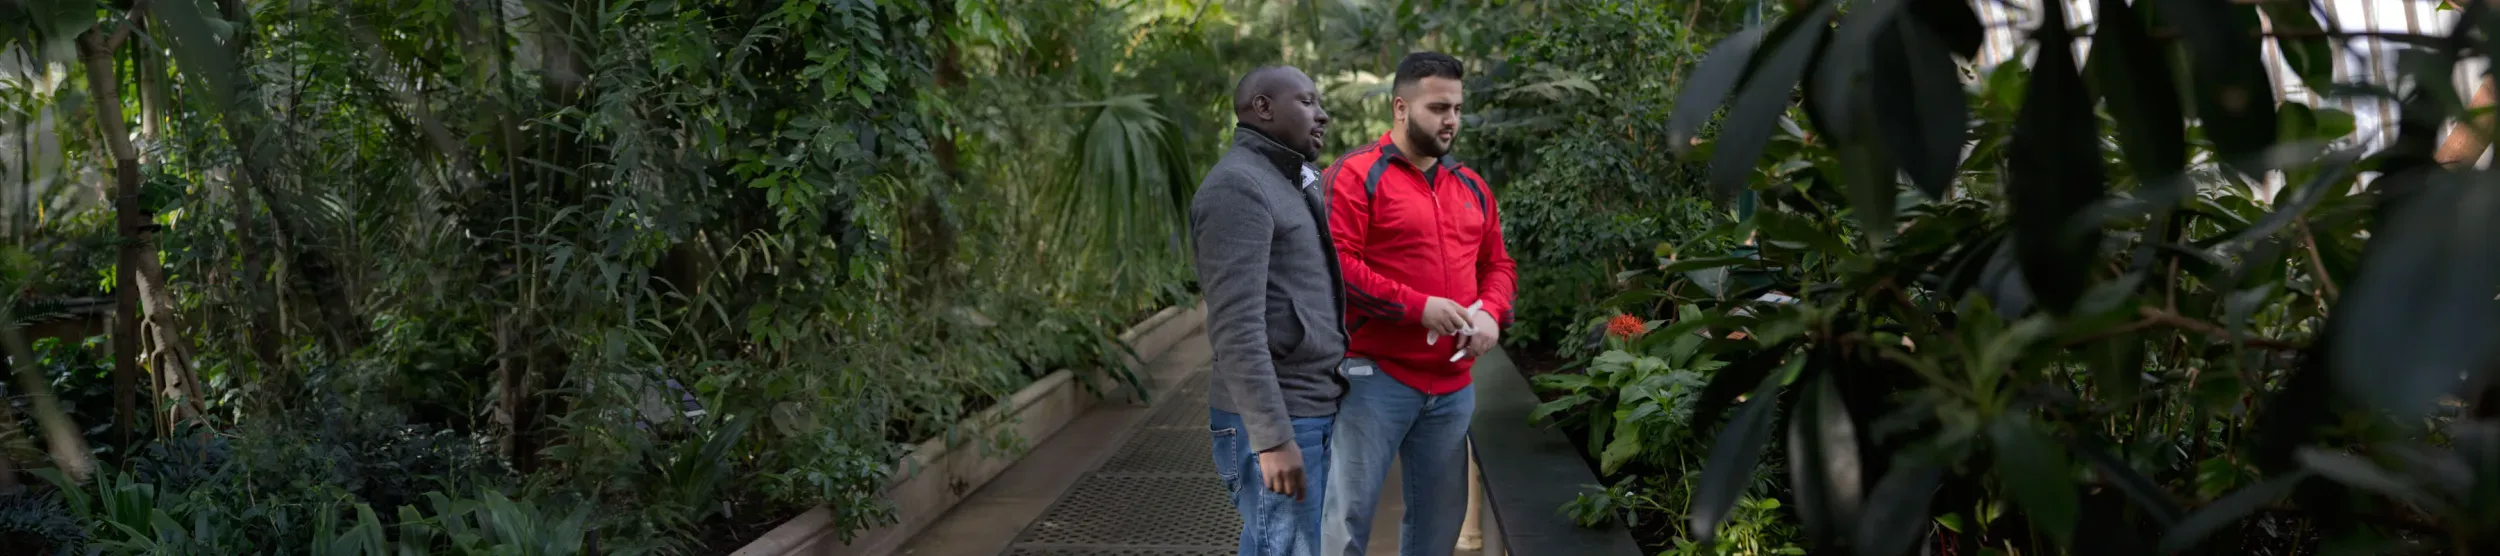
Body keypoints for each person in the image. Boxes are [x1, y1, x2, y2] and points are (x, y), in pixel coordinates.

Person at [1319, 51, 1516, 556]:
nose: (1450, 119)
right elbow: (1338, 266)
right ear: (1401, 108)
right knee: (1346, 522)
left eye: (1456, 107)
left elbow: (1499, 265)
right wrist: (1417, 306)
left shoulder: (1471, 184)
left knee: (1437, 529)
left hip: (1452, 389)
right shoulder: (1354, 174)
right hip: (1374, 378)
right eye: (1437, 107)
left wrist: (1490, 312)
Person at [1191, 64, 1346, 556]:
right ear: (1262, 107)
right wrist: (1272, 439)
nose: (1322, 115)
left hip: (1309, 406)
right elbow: (1236, 329)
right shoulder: (1238, 187)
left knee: (1271, 546)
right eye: (1306, 102)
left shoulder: (1288, 180)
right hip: (1281, 416)